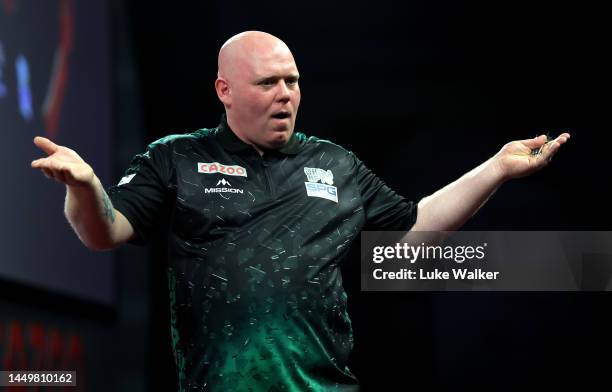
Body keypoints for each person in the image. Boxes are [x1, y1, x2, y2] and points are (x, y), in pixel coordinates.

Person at [31, 31, 570, 391]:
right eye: (268, 83)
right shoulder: (177, 157)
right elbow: (105, 231)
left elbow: (416, 227)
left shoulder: (334, 163)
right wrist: (82, 187)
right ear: (225, 90)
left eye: (292, 81)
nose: (286, 94)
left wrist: (497, 168)